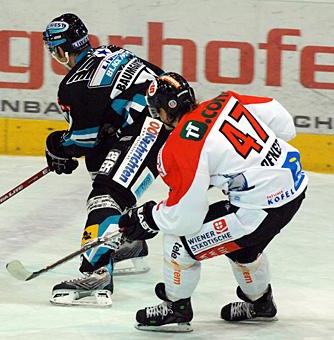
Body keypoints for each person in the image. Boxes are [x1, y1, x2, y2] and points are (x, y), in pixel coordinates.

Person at [118, 72, 308, 331]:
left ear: (166, 109)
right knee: (243, 247)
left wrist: (148, 217)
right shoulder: (226, 100)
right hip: (294, 187)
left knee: (178, 240)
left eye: (157, 110)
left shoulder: (180, 145)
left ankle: (176, 310)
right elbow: (284, 124)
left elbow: (185, 217)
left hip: (259, 209)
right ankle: (261, 304)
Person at [42, 13, 170, 306]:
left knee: (105, 195)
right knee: (102, 162)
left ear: (60, 50)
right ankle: (129, 244)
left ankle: (96, 273)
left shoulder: (75, 83)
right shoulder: (114, 52)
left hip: (148, 130)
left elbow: (82, 140)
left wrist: (57, 147)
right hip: (166, 122)